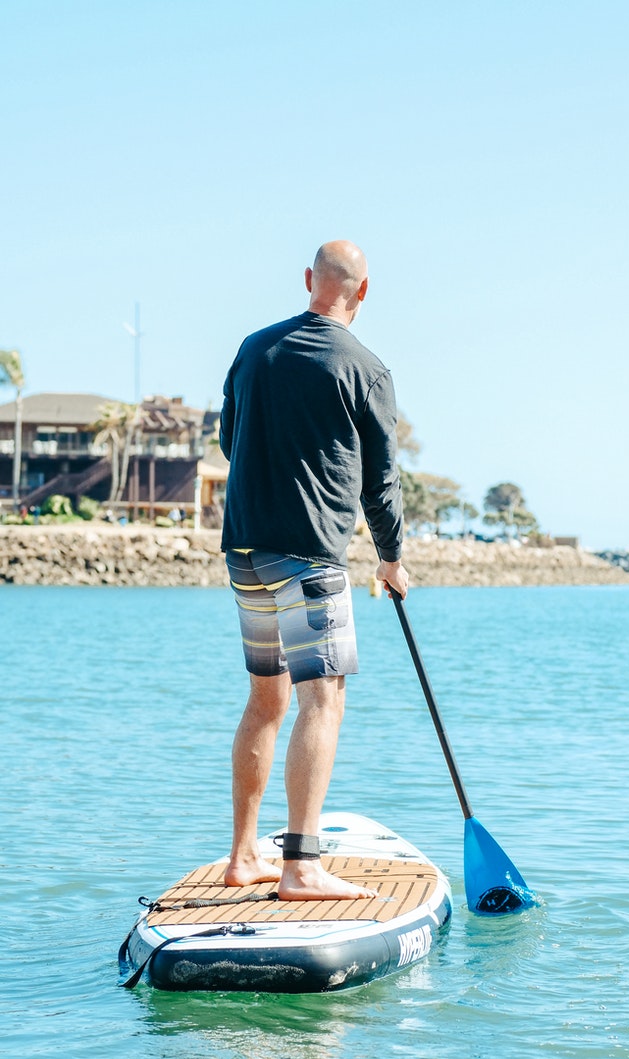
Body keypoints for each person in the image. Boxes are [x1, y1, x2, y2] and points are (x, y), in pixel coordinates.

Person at [219, 239, 409, 900]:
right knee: (321, 698)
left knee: (265, 699)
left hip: (244, 550)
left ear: (308, 280)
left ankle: (245, 855)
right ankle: (300, 866)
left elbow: (229, 437)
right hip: (309, 557)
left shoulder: (254, 349)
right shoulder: (365, 367)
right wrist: (390, 558)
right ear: (363, 291)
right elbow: (381, 483)